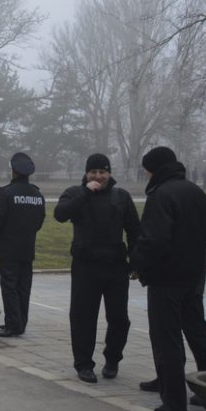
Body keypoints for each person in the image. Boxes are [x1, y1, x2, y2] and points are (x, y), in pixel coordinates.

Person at [128, 146, 206, 411]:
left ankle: (173, 409)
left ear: (153, 169)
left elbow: (154, 240)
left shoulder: (161, 195)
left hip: (167, 279)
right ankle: (205, 389)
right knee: (198, 332)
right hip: (193, 276)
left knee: (167, 342)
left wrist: (137, 264)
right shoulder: (196, 192)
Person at [53, 153, 140, 383]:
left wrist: (136, 261)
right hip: (85, 265)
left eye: (102, 172)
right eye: (93, 172)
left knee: (119, 319)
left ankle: (112, 359)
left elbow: (134, 230)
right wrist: (85, 192)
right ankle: (83, 364)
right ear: (86, 173)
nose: (98, 176)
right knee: (83, 317)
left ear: (109, 173)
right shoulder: (75, 192)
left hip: (115, 266)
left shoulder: (121, 196)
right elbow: (60, 215)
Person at [0, 152, 46, 338]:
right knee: (23, 287)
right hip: (27, 247)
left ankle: (13, 324)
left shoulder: (6, 193)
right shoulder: (37, 194)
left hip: (8, 248)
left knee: (9, 287)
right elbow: (39, 221)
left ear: (13, 171)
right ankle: (20, 322)